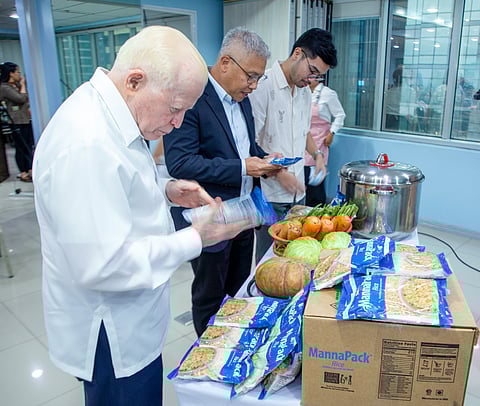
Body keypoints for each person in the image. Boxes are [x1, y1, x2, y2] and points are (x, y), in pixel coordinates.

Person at [32, 26, 245, 406]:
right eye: (176, 108)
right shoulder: (86, 142)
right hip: (111, 334)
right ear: (135, 81)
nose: (178, 123)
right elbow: (104, 263)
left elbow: (117, 186)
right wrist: (197, 237)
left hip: (132, 321)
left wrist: (165, 189)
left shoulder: (112, 113)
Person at [163, 27, 283, 337]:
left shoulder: (241, 98)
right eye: (250, 76)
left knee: (239, 288)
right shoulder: (193, 97)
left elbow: (244, 149)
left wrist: (265, 160)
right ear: (226, 62)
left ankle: (234, 340)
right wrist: (244, 166)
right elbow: (181, 162)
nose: (254, 86)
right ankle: (209, 354)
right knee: (210, 295)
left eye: (258, 78)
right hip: (211, 217)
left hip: (243, 215)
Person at [250, 28, 337, 263]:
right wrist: (279, 174)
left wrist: (317, 154)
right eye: (312, 71)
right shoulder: (263, 87)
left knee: (295, 258)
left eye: (317, 77)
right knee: (270, 259)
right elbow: (251, 145)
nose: (311, 80)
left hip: (298, 192)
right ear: (297, 53)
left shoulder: (303, 93)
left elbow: (304, 131)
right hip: (270, 195)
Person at [304, 77, 345, 206]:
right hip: (303, 139)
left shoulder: (328, 94)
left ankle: (317, 210)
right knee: (302, 176)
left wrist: (332, 132)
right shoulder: (301, 92)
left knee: (316, 179)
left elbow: (340, 115)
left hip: (320, 140)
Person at [0, 62, 34, 182]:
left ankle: (30, 169)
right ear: (11, 73)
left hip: (25, 119)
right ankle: (23, 172)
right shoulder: (5, 88)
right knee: (21, 147)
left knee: (28, 145)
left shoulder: (16, 86)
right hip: (17, 121)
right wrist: (23, 85)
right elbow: (20, 99)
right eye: (17, 72)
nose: (19, 74)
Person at [384, 66, 417, 132]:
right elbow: (412, 112)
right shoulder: (411, 92)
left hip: (388, 120)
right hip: (403, 121)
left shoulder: (388, 92)